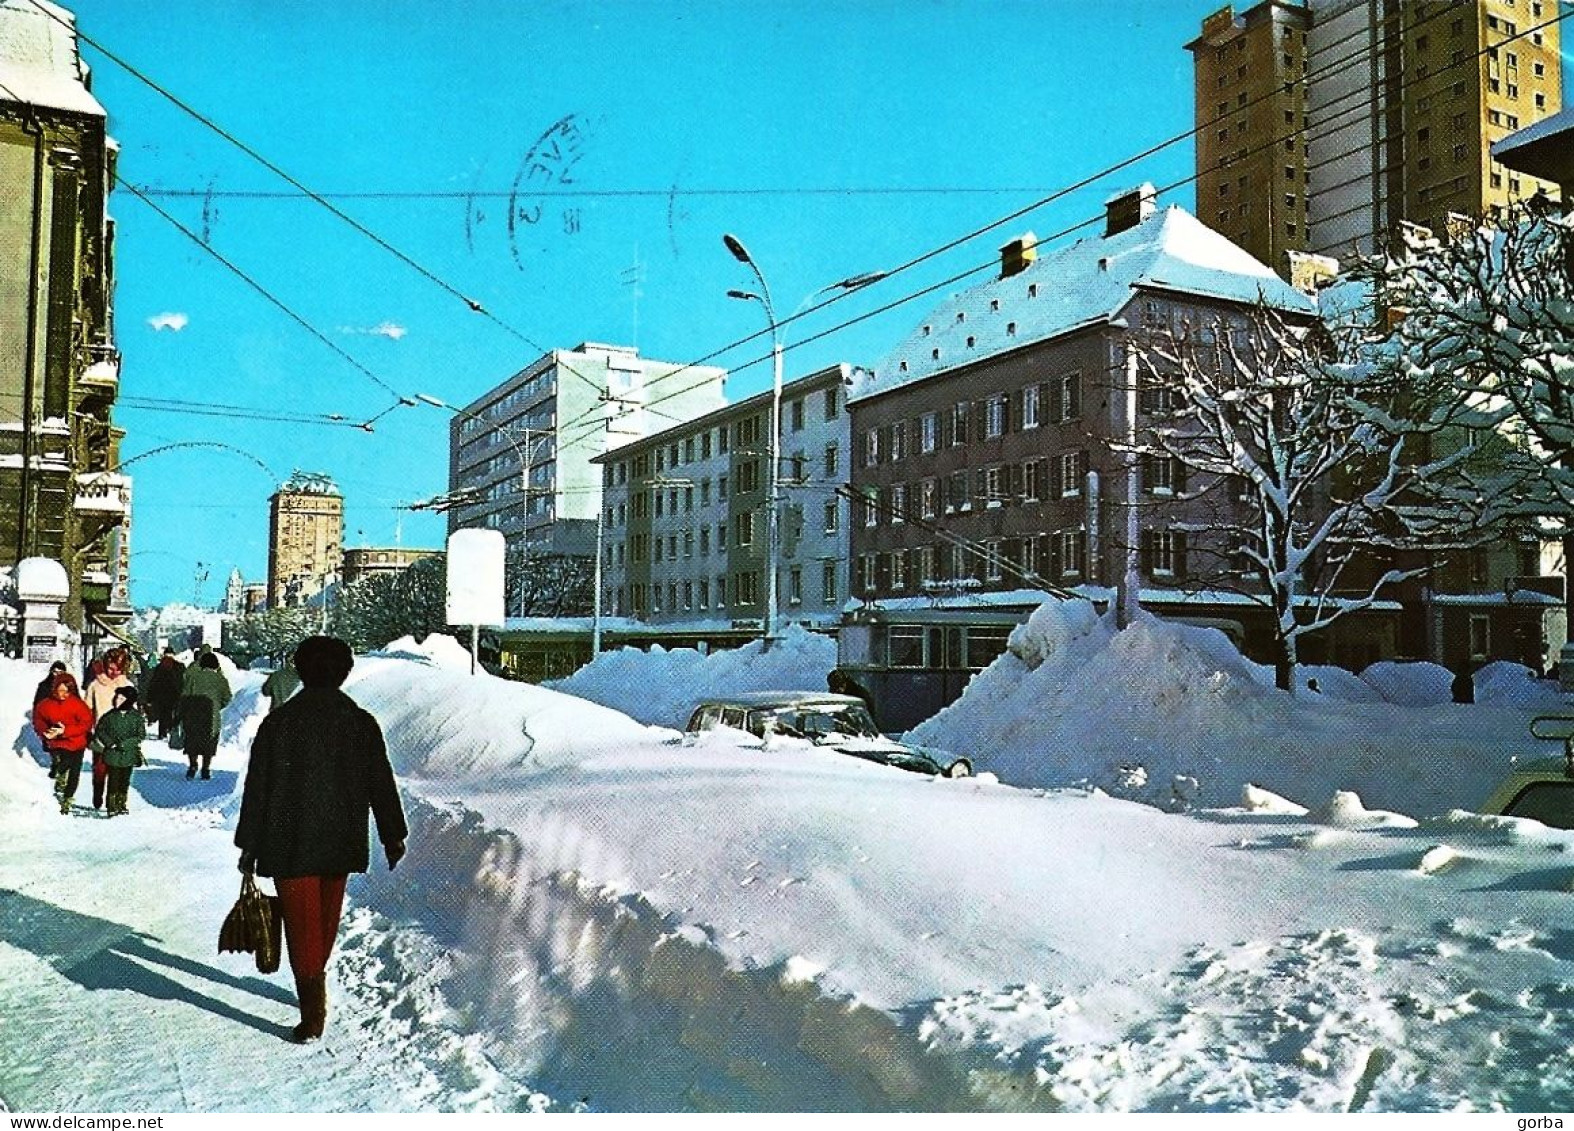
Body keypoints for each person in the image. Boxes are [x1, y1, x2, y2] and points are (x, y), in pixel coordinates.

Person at [235, 636, 408, 1044]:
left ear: (301, 670)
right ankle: (314, 991)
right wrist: (392, 833)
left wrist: (249, 844)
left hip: (288, 841)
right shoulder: (360, 721)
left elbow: (257, 787)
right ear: (344, 673)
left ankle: (312, 1010)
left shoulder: (280, 723)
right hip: (341, 838)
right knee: (325, 920)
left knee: (302, 924)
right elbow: (379, 780)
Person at [33, 673, 95, 816]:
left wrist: (65, 730)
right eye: (60, 691)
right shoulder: (46, 704)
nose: (63, 695)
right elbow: (38, 719)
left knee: (74, 772)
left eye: (66, 691)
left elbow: (86, 724)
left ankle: (67, 798)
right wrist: (45, 732)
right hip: (58, 743)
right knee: (63, 762)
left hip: (77, 742)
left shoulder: (77, 704)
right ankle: (60, 778)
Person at [83, 648, 134, 811]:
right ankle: (98, 793)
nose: (114, 672)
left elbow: (133, 713)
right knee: (100, 769)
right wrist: (87, 730)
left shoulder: (127, 685)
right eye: (111, 668)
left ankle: (115, 801)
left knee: (119, 770)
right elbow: (87, 710)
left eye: (118, 669)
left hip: (122, 735)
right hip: (101, 735)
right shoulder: (95, 685)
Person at [91, 686, 147, 817]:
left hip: (129, 754)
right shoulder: (109, 716)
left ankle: (122, 803)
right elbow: (100, 730)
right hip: (112, 755)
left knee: (124, 781)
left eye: (122, 698)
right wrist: (110, 743)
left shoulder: (136, 717)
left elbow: (140, 735)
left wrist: (126, 744)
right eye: (116, 697)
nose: (117, 700)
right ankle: (112, 805)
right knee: (113, 781)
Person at [179, 652, 232, 780]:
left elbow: (185, 695)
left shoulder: (193, 677)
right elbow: (227, 698)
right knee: (209, 741)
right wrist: (218, 706)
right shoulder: (221, 679)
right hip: (211, 715)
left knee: (192, 740)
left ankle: (192, 765)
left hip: (193, 714)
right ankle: (206, 768)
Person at [143, 647, 185, 739]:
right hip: (174, 695)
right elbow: (182, 681)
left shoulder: (159, 667)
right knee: (171, 713)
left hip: (160, 696)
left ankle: (162, 733)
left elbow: (153, 683)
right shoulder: (180, 666)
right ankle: (170, 730)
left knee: (162, 714)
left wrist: (149, 697)